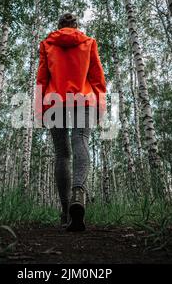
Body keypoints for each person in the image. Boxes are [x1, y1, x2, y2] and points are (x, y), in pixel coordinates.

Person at [35, 13, 106, 232]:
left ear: (59, 27)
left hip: (54, 100)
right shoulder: (88, 42)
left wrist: (39, 108)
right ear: (76, 26)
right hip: (83, 98)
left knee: (62, 154)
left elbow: (41, 78)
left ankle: (66, 211)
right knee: (80, 140)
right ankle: (78, 193)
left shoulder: (47, 44)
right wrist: (101, 105)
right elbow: (97, 76)